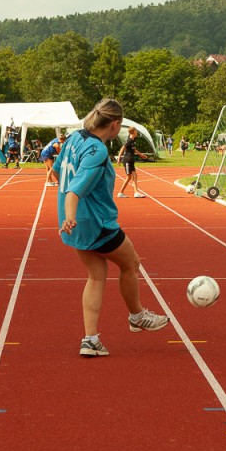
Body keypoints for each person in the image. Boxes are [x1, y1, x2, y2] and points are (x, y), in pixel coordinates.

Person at [54, 98, 169, 357]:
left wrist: (69, 215)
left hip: (76, 227)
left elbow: (58, 171)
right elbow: (74, 191)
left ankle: (91, 340)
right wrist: (72, 214)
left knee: (96, 275)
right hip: (95, 224)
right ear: (115, 125)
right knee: (131, 263)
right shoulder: (96, 151)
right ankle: (137, 315)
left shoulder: (73, 139)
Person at [116, 127, 148, 199]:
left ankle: (136, 192)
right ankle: (121, 193)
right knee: (129, 177)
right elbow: (122, 148)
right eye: (136, 131)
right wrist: (119, 158)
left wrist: (140, 154)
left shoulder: (133, 140)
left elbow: (133, 149)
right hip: (127, 160)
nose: (137, 132)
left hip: (131, 160)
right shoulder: (129, 140)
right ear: (133, 132)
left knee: (134, 175)